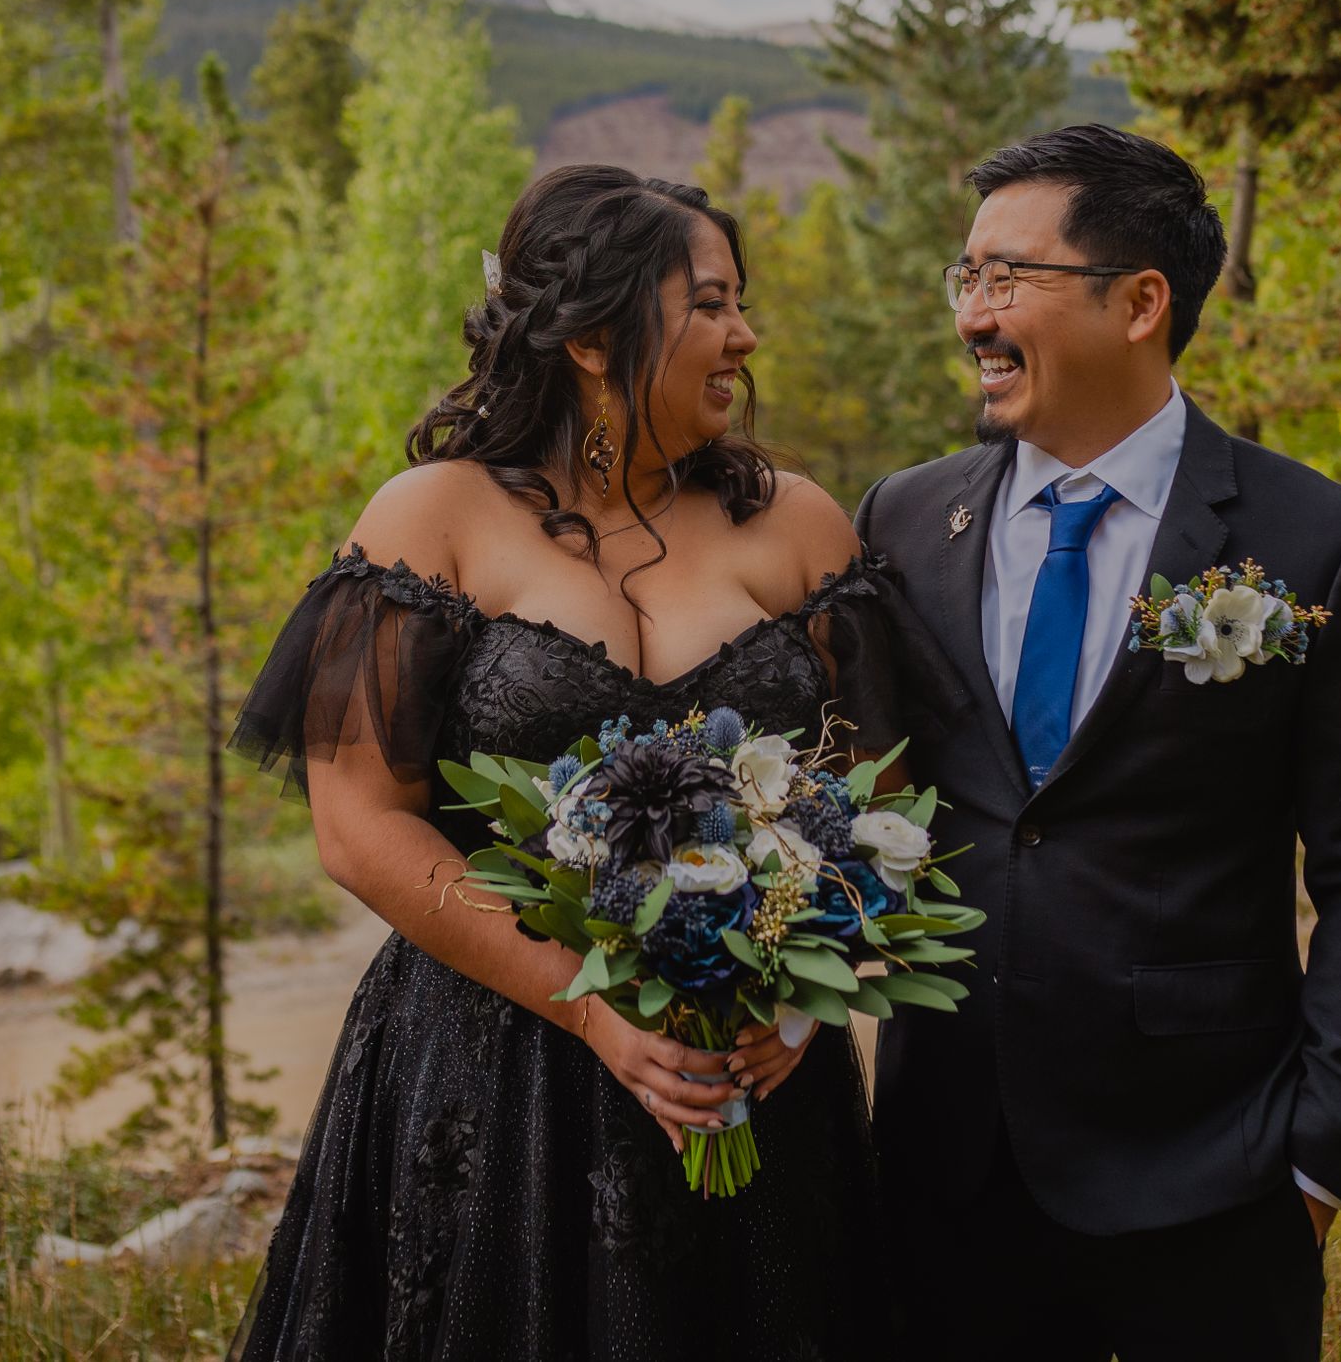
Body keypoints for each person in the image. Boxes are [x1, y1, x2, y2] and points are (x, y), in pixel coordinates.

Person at [225, 165, 910, 1361]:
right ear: (594, 337)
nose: (743, 333)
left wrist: (804, 998)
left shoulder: (800, 525)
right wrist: (591, 1009)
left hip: (751, 1082)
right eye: (707, 303)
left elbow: (882, 802)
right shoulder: (428, 518)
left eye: (739, 300)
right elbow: (360, 826)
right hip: (495, 1082)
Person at [861, 125, 1341, 1362]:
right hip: (946, 1171)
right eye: (965, 276)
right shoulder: (905, 519)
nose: (976, 309)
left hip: (1216, 1173)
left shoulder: (1315, 540)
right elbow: (859, 792)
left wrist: (1322, 1157)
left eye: (1010, 275)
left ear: (1141, 302)